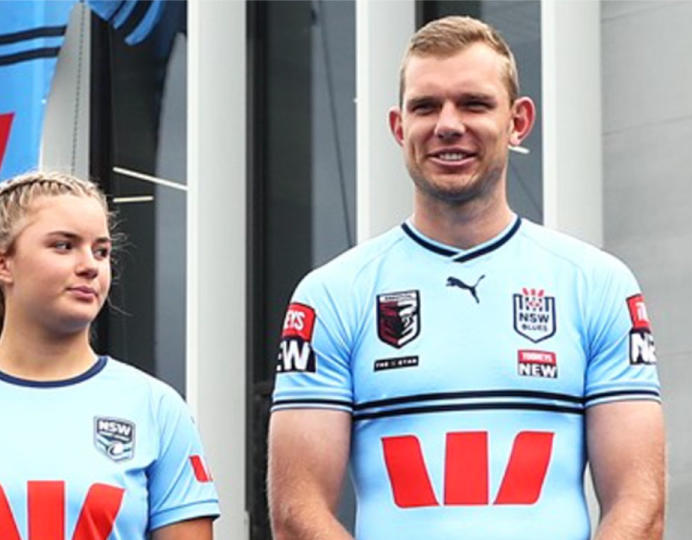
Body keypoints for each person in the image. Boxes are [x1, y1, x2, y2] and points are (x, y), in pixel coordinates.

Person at [268, 16, 664, 540]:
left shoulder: (598, 285)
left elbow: (640, 506)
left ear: (519, 121)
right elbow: (298, 513)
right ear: (397, 126)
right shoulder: (332, 295)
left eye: (474, 104)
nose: (448, 125)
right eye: (425, 107)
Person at [0, 172, 219, 540]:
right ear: (2, 263)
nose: (90, 265)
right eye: (64, 246)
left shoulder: (157, 408)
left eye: (101, 250)